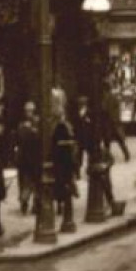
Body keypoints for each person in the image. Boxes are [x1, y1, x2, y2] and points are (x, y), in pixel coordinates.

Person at [51, 98, 79, 231]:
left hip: (59, 161)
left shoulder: (57, 127)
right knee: (66, 183)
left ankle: (60, 205)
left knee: (61, 183)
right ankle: (64, 205)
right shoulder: (63, 127)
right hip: (64, 161)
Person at [15, 102, 42, 215]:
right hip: (26, 160)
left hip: (35, 159)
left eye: (30, 111)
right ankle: (24, 202)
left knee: (36, 183)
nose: (29, 113)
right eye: (27, 111)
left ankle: (35, 204)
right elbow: (19, 140)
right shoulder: (22, 126)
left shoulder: (38, 124)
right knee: (26, 183)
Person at [97, 89, 132, 163]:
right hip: (114, 122)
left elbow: (104, 108)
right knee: (119, 140)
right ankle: (126, 155)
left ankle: (108, 157)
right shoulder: (113, 97)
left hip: (109, 123)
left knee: (107, 141)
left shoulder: (106, 98)